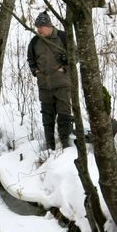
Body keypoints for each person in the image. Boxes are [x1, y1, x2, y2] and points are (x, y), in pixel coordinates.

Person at [27, 12, 74, 150]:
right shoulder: (35, 41)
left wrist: (64, 67)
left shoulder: (63, 37)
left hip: (62, 85)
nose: (39, 30)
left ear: (49, 26)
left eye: (41, 27)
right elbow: (31, 59)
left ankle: (66, 146)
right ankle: (50, 147)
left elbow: (75, 56)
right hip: (44, 86)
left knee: (64, 116)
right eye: (37, 27)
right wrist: (35, 71)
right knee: (47, 118)